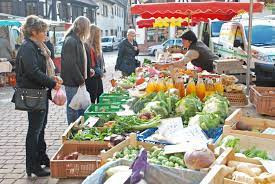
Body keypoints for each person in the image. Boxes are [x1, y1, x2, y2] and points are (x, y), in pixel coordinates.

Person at [13, 15, 62, 177]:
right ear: (34, 32)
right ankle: (33, 165)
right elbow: (32, 71)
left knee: (40, 129)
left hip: (40, 93)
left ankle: (41, 158)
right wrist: (52, 83)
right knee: (34, 131)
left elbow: (39, 69)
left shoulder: (36, 46)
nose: (45, 33)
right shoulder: (28, 47)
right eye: (43, 31)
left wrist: (51, 79)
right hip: (34, 94)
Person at [61, 16, 91, 125]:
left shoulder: (76, 39)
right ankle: (72, 129)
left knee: (77, 106)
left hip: (76, 80)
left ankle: (76, 127)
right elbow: (71, 64)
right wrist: (80, 79)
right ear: (84, 28)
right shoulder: (71, 40)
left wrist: (87, 71)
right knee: (73, 107)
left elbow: (80, 60)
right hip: (72, 81)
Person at [85, 24, 105, 103]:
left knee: (100, 96)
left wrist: (102, 69)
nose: (100, 36)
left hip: (97, 75)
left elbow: (100, 61)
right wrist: (100, 71)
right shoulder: (88, 46)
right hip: (92, 77)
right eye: (98, 34)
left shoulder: (96, 46)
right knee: (92, 98)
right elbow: (92, 65)